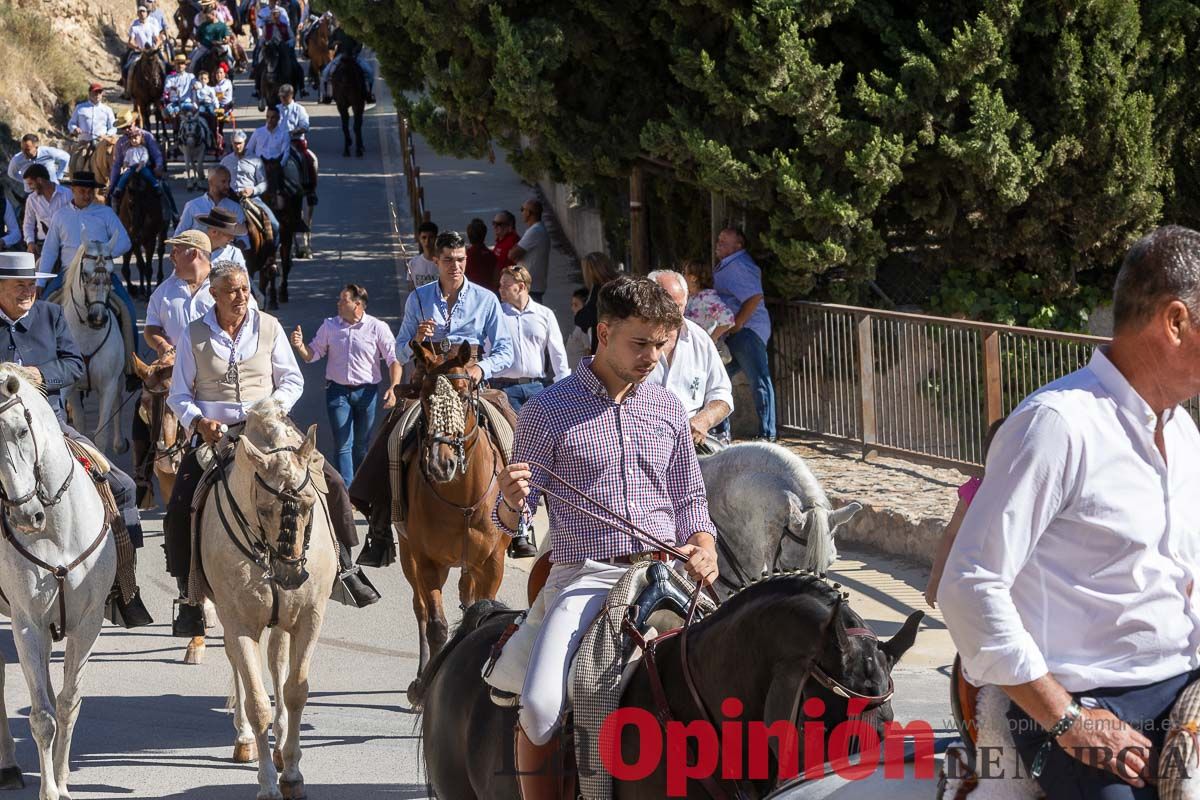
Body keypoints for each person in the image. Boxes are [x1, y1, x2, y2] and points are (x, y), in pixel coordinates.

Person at [939, 225, 1200, 799]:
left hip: (1185, 690)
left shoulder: (1184, 434)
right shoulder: (1057, 425)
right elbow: (966, 584)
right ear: (1176, 322)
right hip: (1077, 704)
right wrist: (1068, 719)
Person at [487, 276, 720, 798]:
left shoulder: (667, 409)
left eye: (661, 345)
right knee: (542, 706)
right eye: (641, 344)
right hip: (586, 579)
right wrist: (509, 500)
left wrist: (704, 548)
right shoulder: (547, 412)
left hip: (669, 575)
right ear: (605, 332)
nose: (653, 357)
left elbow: (690, 503)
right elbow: (512, 526)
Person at [165, 259, 380, 636]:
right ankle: (189, 594)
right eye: (231, 290)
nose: (241, 296)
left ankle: (345, 565)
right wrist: (199, 421)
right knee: (182, 501)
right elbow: (179, 393)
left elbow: (292, 380)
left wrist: (271, 409)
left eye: (244, 289)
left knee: (329, 480)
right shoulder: (193, 334)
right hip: (220, 435)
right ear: (213, 294)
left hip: (270, 427)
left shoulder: (269, 326)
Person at [0, 252, 154, 627]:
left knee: (120, 486)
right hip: (2, 434)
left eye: (32, 283)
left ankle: (122, 588)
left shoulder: (51, 316)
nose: (29, 290)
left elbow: (73, 364)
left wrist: (40, 374)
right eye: (20, 283)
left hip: (51, 426)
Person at [290, 284, 400, 485]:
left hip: (367, 393)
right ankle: (347, 492)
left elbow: (393, 359)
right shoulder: (330, 326)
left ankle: (361, 487)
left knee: (361, 445)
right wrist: (299, 346)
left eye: (344, 300)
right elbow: (313, 355)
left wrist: (394, 387)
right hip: (337, 392)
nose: (338, 303)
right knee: (342, 444)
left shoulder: (377, 327)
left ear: (357, 305)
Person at [394, 230, 514, 384]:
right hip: (427, 381)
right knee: (403, 408)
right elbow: (399, 354)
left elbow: (506, 350)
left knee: (502, 407)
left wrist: (481, 367)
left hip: (469, 381)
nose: (455, 266)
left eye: (460, 259)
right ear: (436, 261)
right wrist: (417, 339)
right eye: (448, 260)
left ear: (466, 259)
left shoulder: (486, 299)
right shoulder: (417, 298)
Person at [647, 269, 733, 452]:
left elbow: (722, 394)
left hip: (689, 444)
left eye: (678, 306)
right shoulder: (632, 341)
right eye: (665, 306)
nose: (672, 314)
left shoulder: (701, 341)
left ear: (686, 302)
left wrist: (704, 420)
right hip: (643, 442)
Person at [924, 417, 1005, 609]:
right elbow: (950, 535)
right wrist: (935, 579)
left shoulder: (977, 490)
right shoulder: (975, 492)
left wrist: (936, 580)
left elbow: (951, 535)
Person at [712, 227, 775, 442]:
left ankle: (767, 433)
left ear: (738, 245)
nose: (718, 243)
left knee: (758, 379)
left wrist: (737, 323)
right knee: (720, 380)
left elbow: (754, 296)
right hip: (736, 332)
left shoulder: (739, 265)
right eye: (718, 240)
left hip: (747, 331)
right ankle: (721, 431)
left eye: (724, 241)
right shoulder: (730, 265)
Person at [493, 265, 570, 412]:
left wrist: (564, 387)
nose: (500, 289)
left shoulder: (545, 314)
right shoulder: (495, 314)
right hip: (504, 390)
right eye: (500, 285)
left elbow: (557, 353)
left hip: (537, 388)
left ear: (521, 286)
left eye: (506, 285)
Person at [220, 130, 280, 243]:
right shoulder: (225, 161)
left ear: (245, 143)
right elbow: (219, 180)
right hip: (229, 199)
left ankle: (271, 255)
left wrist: (253, 190)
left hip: (251, 199)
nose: (237, 146)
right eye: (235, 143)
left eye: (239, 143)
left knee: (274, 224)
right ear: (231, 143)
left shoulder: (255, 160)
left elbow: (263, 183)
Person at [176, 165, 248, 248]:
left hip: (225, 258)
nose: (227, 186)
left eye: (229, 182)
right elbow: (180, 234)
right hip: (198, 256)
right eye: (223, 182)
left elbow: (243, 236)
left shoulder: (235, 208)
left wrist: (239, 245)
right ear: (211, 182)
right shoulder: (192, 206)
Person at [680, 258, 734, 362]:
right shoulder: (692, 297)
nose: (682, 276)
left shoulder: (707, 298)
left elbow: (728, 319)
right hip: (692, 349)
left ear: (693, 278)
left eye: (684, 273)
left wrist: (711, 339)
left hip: (702, 352)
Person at [319, 15, 375, 105]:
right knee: (325, 72)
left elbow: (359, 44)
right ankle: (326, 95)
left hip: (354, 56)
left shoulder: (354, 31)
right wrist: (334, 44)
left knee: (369, 71)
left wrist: (353, 53)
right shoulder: (336, 32)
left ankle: (369, 94)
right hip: (340, 56)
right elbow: (329, 45)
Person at [574, 250, 621, 355]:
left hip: (605, 346)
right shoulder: (620, 283)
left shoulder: (599, 291)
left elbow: (585, 319)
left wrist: (579, 311)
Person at [21, 165, 72, 258]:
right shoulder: (31, 199)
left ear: (40, 180)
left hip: (67, 244)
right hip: (43, 245)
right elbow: (28, 224)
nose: (29, 188)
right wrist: (30, 242)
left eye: (31, 183)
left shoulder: (67, 194)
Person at [508, 199, 550, 303]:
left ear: (529, 213)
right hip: (532, 284)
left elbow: (512, 255)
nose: (521, 213)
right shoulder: (536, 230)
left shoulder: (535, 231)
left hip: (531, 286)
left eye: (523, 209)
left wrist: (514, 249)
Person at [121, 5, 165, 90]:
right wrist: (138, 47)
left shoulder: (152, 26)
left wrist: (155, 47)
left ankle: (164, 89)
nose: (142, 13)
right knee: (126, 69)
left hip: (151, 52)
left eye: (143, 11)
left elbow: (158, 39)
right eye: (140, 12)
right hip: (139, 52)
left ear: (147, 13)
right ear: (137, 14)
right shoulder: (134, 28)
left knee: (164, 66)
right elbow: (130, 42)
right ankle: (128, 89)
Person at [464, 217, 498, 292]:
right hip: (488, 293)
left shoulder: (465, 256)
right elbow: (496, 279)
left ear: (469, 236)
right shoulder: (492, 256)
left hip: (471, 292)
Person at [407, 220, 440, 289]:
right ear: (419, 238)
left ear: (436, 238)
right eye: (424, 237)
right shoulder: (413, 263)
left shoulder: (443, 263)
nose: (427, 241)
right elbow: (411, 287)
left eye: (431, 237)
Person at [565, 287, 590, 368]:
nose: (572, 308)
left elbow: (588, 352)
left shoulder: (584, 328)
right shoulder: (578, 326)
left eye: (576, 305)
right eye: (572, 305)